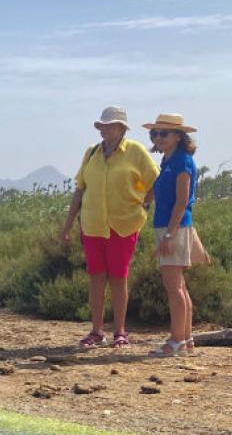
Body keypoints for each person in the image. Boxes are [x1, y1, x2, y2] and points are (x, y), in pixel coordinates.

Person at [60, 106, 160, 349]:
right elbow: (80, 190)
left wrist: (142, 204)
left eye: (111, 125)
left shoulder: (135, 152)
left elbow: (156, 181)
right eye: (103, 125)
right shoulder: (92, 153)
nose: (106, 129)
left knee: (118, 277)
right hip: (93, 225)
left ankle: (120, 332)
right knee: (96, 278)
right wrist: (68, 224)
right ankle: (96, 331)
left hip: (124, 224)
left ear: (122, 128)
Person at [144, 113, 208, 356]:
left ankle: (176, 341)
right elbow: (160, 191)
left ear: (179, 136)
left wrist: (169, 236)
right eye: (155, 133)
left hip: (175, 227)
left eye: (164, 133)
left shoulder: (182, 161)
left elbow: (182, 201)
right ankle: (186, 339)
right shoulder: (169, 160)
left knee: (173, 286)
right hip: (168, 226)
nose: (158, 137)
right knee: (178, 285)